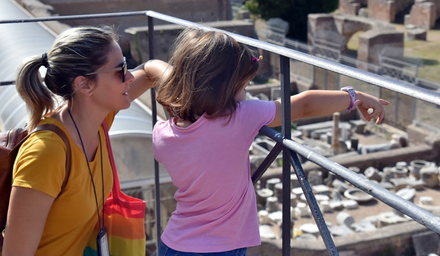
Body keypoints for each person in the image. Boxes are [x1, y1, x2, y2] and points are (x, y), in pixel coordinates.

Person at [152, 27, 390, 255]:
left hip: (172, 243)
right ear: (225, 89)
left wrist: (159, 74)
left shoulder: (161, 135)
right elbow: (304, 105)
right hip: (219, 248)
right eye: (243, 86)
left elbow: (165, 77)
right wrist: (355, 96)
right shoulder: (240, 117)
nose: (245, 94)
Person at [3, 26, 170, 256]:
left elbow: (149, 71)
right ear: (84, 85)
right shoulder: (46, 153)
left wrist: (174, 79)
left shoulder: (97, 121)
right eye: (120, 70)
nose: (129, 76)